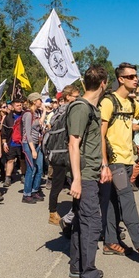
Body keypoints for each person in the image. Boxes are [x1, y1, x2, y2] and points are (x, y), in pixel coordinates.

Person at [100, 63, 139, 260]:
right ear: (121, 79)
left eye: (136, 76)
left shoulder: (132, 104)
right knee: (127, 200)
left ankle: (110, 242)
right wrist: (104, 163)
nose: (136, 79)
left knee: (113, 203)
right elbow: (101, 135)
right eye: (131, 76)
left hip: (127, 160)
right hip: (115, 161)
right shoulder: (109, 102)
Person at [68, 65, 117, 278]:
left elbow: (92, 143)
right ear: (103, 83)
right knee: (92, 223)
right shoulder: (81, 107)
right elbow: (73, 143)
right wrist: (77, 179)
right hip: (84, 175)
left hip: (90, 172)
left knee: (82, 220)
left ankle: (78, 266)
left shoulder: (90, 107)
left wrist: (104, 165)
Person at [48, 85, 80, 225]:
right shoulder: (70, 111)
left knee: (58, 183)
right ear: (68, 97)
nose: (78, 99)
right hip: (64, 152)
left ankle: (53, 211)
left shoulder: (57, 111)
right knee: (71, 182)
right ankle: (61, 213)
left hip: (56, 151)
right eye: (76, 96)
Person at [21, 92, 46, 204]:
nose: (41, 101)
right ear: (34, 101)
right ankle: (26, 194)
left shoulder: (36, 113)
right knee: (31, 169)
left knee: (39, 168)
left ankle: (34, 190)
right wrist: (32, 149)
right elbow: (27, 132)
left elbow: (40, 124)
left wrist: (44, 111)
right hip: (29, 143)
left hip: (37, 143)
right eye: (39, 99)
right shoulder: (28, 114)